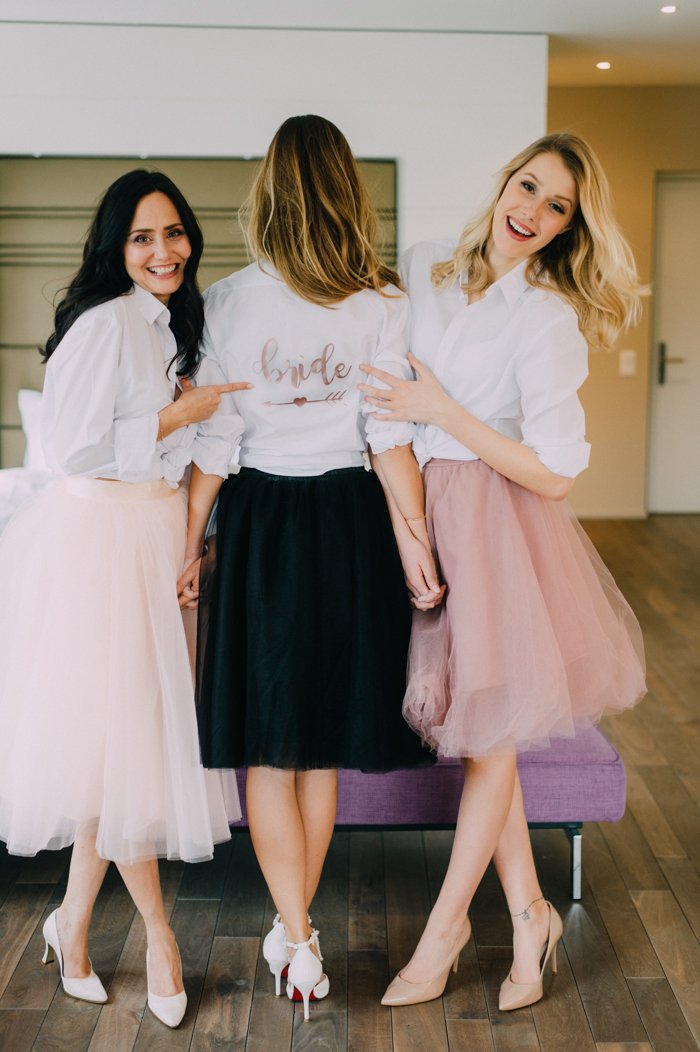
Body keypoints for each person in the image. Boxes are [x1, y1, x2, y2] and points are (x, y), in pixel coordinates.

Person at [357, 132, 647, 1011]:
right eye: (528, 187)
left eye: (557, 207)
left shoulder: (546, 319)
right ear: (504, 184)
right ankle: (530, 914)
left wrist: (446, 410)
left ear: (567, 228)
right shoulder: (423, 269)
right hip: (417, 509)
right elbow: (383, 405)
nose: (533, 212)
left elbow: (556, 473)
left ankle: (444, 933)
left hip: (491, 523)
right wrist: (409, 526)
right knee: (486, 734)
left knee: (489, 739)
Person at [176, 115, 442, 1021]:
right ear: (346, 193)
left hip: (261, 525)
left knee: (271, 744)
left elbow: (215, 443)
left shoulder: (227, 301)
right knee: (318, 742)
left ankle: (298, 936)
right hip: (347, 524)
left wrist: (189, 543)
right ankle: (296, 934)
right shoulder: (382, 301)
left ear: (269, 193)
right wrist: (415, 540)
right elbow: (389, 437)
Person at [0, 170, 250, 1028]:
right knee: (125, 742)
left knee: (123, 745)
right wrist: (183, 414)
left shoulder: (175, 325)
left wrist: (193, 541)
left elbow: (186, 453)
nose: (163, 250)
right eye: (143, 237)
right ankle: (159, 936)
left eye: (174, 233)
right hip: (99, 544)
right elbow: (73, 449)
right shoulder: (102, 324)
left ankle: (71, 925)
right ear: (117, 247)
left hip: (155, 536)